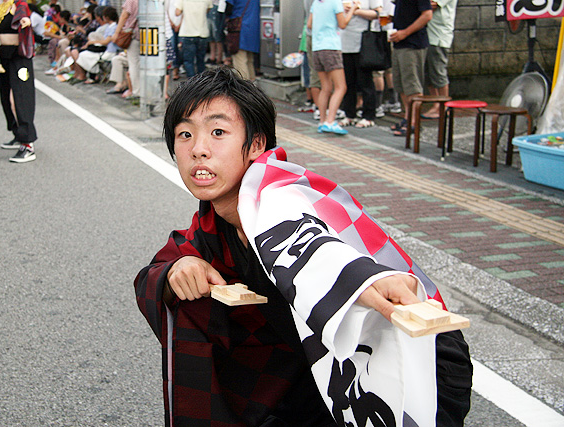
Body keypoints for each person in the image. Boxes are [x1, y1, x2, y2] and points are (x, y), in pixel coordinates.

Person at [134, 67, 472, 426]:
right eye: (185, 134)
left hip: (411, 361)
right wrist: (179, 269)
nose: (198, 150)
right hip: (315, 373)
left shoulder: (279, 198)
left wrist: (359, 279)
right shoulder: (214, 222)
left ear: (257, 144)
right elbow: (158, 269)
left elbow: (309, 244)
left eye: (218, 132)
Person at [0, 0, 38, 163]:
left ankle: (27, 144)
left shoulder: (20, 5)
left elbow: (26, 18)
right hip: (4, 55)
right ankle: (18, 133)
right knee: (6, 97)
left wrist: (26, 21)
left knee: (20, 97)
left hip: (20, 57)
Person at [308, 0, 354, 135]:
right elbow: (343, 24)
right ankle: (330, 121)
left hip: (317, 48)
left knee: (325, 87)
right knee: (341, 87)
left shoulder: (316, 3)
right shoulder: (335, 2)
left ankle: (322, 122)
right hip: (331, 47)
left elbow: (309, 24)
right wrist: (353, 9)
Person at [389, 0, 432, 136]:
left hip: (413, 43)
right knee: (402, 84)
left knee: (412, 85)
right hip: (399, 42)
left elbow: (427, 15)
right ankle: (407, 118)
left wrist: (405, 33)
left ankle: (414, 122)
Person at [339, 0, 382, 128]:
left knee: (365, 81)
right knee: (348, 82)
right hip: (343, 43)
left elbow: (377, 13)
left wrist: (356, 11)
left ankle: (369, 115)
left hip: (363, 43)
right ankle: (349, 114)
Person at [422, 0, 457, 119]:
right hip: (427, 35)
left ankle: (444, 106)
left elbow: (431, 5)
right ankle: (436, 104)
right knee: (428, 74)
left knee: (438, 72)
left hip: (438, 36)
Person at [175, 0, 213, 78]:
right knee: (201, 60)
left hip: (188, 32)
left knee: (188, 61)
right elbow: (208, 10)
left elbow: (177, 13)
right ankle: (202, 81)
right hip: (202, 32)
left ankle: (191, 81)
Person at [112, 0, 140, 98]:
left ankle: (137, 91)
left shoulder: (131, 1)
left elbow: (124, 15)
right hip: (148, 36)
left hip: (133, 35)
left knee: (134, 64)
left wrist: (116, 33)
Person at [225, 0, 259, 81]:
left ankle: (244, 85)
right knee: (249, 60)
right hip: (254, 28)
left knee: (240, 60)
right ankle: (252, 84)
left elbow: (228, 9)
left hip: (240, 29)